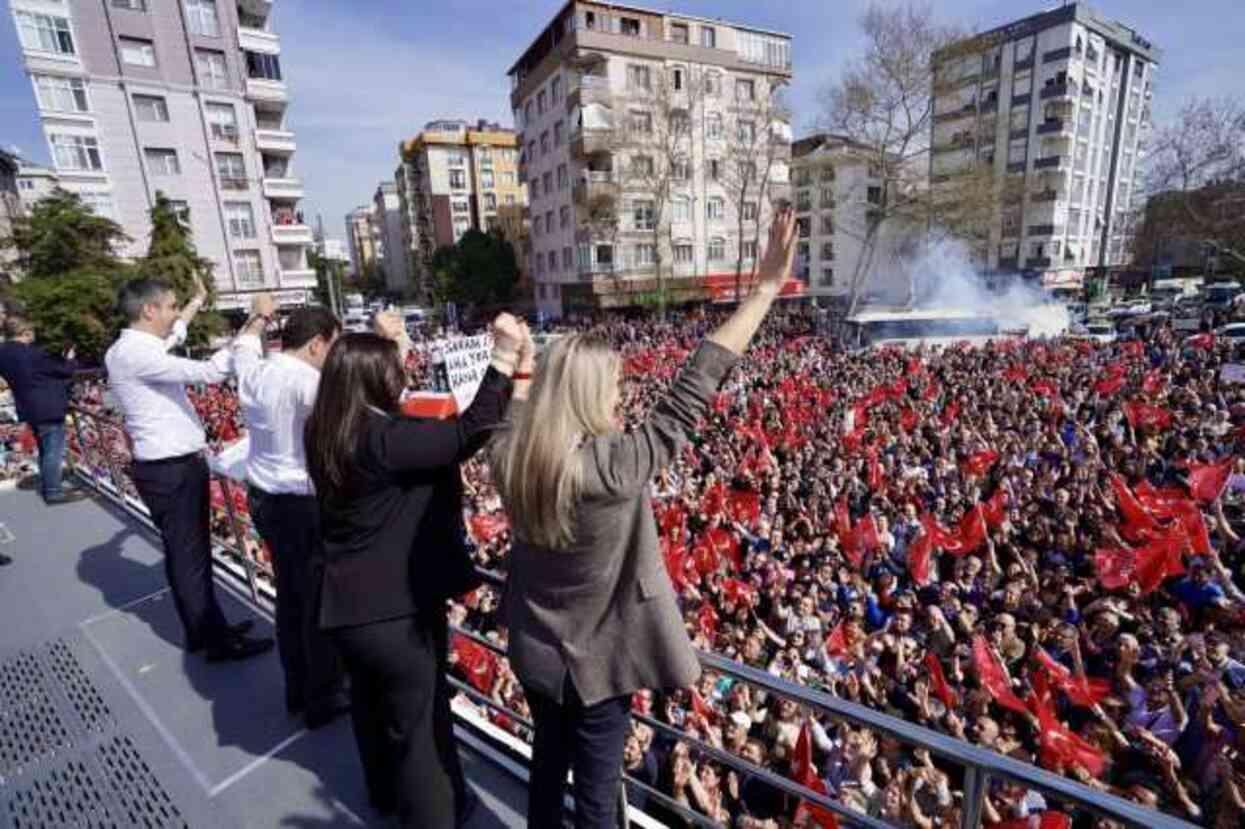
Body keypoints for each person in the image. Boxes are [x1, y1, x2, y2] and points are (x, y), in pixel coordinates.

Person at [489, 206, 797, 828]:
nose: (621, 396)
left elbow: (515, 412)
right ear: (588, 395)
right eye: (613, 386)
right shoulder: (617, 466)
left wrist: (515, 359)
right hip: (600, 668)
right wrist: (764, 290)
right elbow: (696, 383)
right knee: (600, 797)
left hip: (537, 655)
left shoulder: (508, 457)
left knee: (547, 770)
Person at [305, 312, 527, 827]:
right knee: (420, 733)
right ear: (372, 381)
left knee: (371, 711)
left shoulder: (327, 428)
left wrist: (396, 342)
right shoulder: (383, 441)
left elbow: (396, 412)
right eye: (392, 371)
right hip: (393, 616)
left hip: (344, 608)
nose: (400, 378)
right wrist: (501, 357)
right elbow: (468, 433)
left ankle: (384, 796)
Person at [104, 277, 273, 662]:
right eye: (171, 305)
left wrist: (197, 300)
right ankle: (214, 640)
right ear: (149, 310)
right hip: (172, 470)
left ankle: (207, 629)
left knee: (188, 555)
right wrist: (254, 324)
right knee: (190, 558)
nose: (175, 313)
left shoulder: (127, 349)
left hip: (167, 468)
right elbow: (211, 372)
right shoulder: (137, 355)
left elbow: (175, 334)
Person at [233, 298, 349, 728]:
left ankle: (297, 689)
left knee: (291, 600)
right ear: (318, 344)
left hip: (263, 496)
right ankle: (323, 697)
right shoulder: (308, 384)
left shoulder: (256, 369)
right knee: (317, 604)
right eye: (334, 347)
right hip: (300, 505)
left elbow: (244, 343)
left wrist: (259, 316)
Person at [0, 316, 88, 504]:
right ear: (25, 332)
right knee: (53, 451)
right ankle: (53, 492)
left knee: (44, 448)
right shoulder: (33, 354)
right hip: (48, 407)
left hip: (28, 407)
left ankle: (48, 483)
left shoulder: (3, 353)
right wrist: (70, 359)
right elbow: (64, 370)